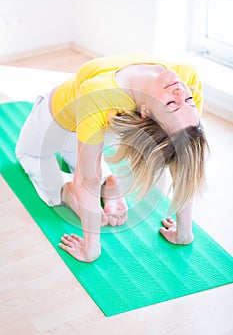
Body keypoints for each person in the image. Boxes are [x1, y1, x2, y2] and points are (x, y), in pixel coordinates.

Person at [16, 53, 209, 263]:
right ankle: (108, 181)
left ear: (145, 113)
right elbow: (184, 158)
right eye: (188, 100)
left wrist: (91, 250)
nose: (181, 91)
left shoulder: (100, 93)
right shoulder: (187, 77)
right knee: (78, 155)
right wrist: (183, 233)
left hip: (57, 123)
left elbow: (88, 177)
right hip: (94, 128)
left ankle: (64, 190)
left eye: (172, 104)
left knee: (28, 154)